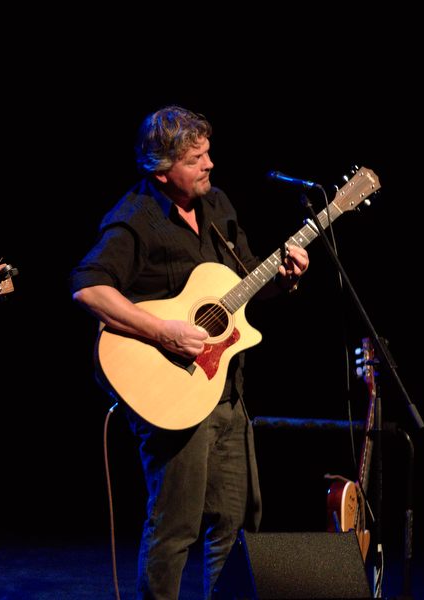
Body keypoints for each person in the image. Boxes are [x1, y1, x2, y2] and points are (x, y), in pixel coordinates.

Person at [69, 106, 308, 599]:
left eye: (207, 154)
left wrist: (283, 281)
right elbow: (89, 289)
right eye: (196, 158)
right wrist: (163, 332)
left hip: (224, 389)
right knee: (176, 527)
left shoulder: (217, 206)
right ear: (162, 169)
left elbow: (240, 289)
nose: (210, 165)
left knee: (238, 523)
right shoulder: (134, 217)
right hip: (172, 396)